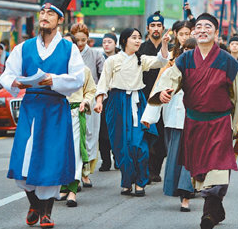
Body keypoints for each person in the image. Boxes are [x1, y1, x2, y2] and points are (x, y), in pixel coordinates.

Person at [148, 13, 238, 229]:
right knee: (201, 175)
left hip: (220, 123)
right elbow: (170, 79)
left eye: (208, 26)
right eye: (199, 26)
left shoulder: (228, 62)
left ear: (216, 32)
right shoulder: (184, 59)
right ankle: (216, 211)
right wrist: (163, 93)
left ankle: (208, 215)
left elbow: (237, 97)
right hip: (194, 124)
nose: (202, 30)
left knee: (218, 172)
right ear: (194, 32)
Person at [0, 0, 84, 229]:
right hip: (31, 108)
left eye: (50, 14)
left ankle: (46, 212)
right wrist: (15, 82)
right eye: (42, 13)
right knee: (23, 159)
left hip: (55, 109)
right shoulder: (23, 48)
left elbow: (78, 78)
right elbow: (7, 74)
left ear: (59, 20)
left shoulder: (69, 48)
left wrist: (54, 80)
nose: (44, 17)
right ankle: (34, 203)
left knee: (52, 159)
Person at [94, 28, 169, 196]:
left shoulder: (141, 59)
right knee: (121, 146)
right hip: (117, 103)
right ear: (124, 40)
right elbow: (103, 83)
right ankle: (127, 182)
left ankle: (141, 181)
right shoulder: (112, 60)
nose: (137, 41)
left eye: (139, 38)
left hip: (137, 102)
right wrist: (99, 101)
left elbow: (161, 60)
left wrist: (164, 43)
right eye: (134, 38)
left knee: (139, 145)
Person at [141, 21, 196, 212]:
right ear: (176, 36)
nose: (185, 37)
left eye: (188, 33)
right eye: (182, 34)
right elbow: (159, 85)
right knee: (175, 156)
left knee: (191, 155)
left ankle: (186, 194)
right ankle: (181, 189)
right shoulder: (172, 60)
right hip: (173, 115)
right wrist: (150, 114)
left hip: (196, 117)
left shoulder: (205, 60)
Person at [70, 23, 105, 188]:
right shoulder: (67, 55)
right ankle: (76, 173)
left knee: (90, 137)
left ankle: (86, 172)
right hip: (73, 102)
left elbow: (103, 78)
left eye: (84, 40)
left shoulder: (96, 55)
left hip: (91, 100)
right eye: (77, 40)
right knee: (76, 139)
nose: (81, 43)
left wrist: (99, 98)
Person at [138, 11, 168, 183]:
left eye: (159, 26)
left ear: (163, 28)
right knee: (146, 135)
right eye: (152, 26)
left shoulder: (168, 49)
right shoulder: (141, 49)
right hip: (144, 97)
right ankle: (146, 170)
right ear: (147, 28)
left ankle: (155, 170)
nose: (156, 29)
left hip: (163, 98)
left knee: (161, 136)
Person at [61, 65, 96, 207]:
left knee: (75, 151)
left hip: (75, 111)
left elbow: (91, 90)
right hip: (57, 112)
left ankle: (73, 191)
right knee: (60, 151)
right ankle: (64, 186)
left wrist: (85, 101)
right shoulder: (55, 67)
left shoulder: (84, 69)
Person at [99, 32, 120, 172]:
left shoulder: (121, 58)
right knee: (102, 131)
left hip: (117, 96)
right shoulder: (99, 58)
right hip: (102, 98)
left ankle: (117, 158)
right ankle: (105, 161)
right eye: (104, 42)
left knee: (117, 129)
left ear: (115, 44)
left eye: (109, 42)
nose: (106, 44)